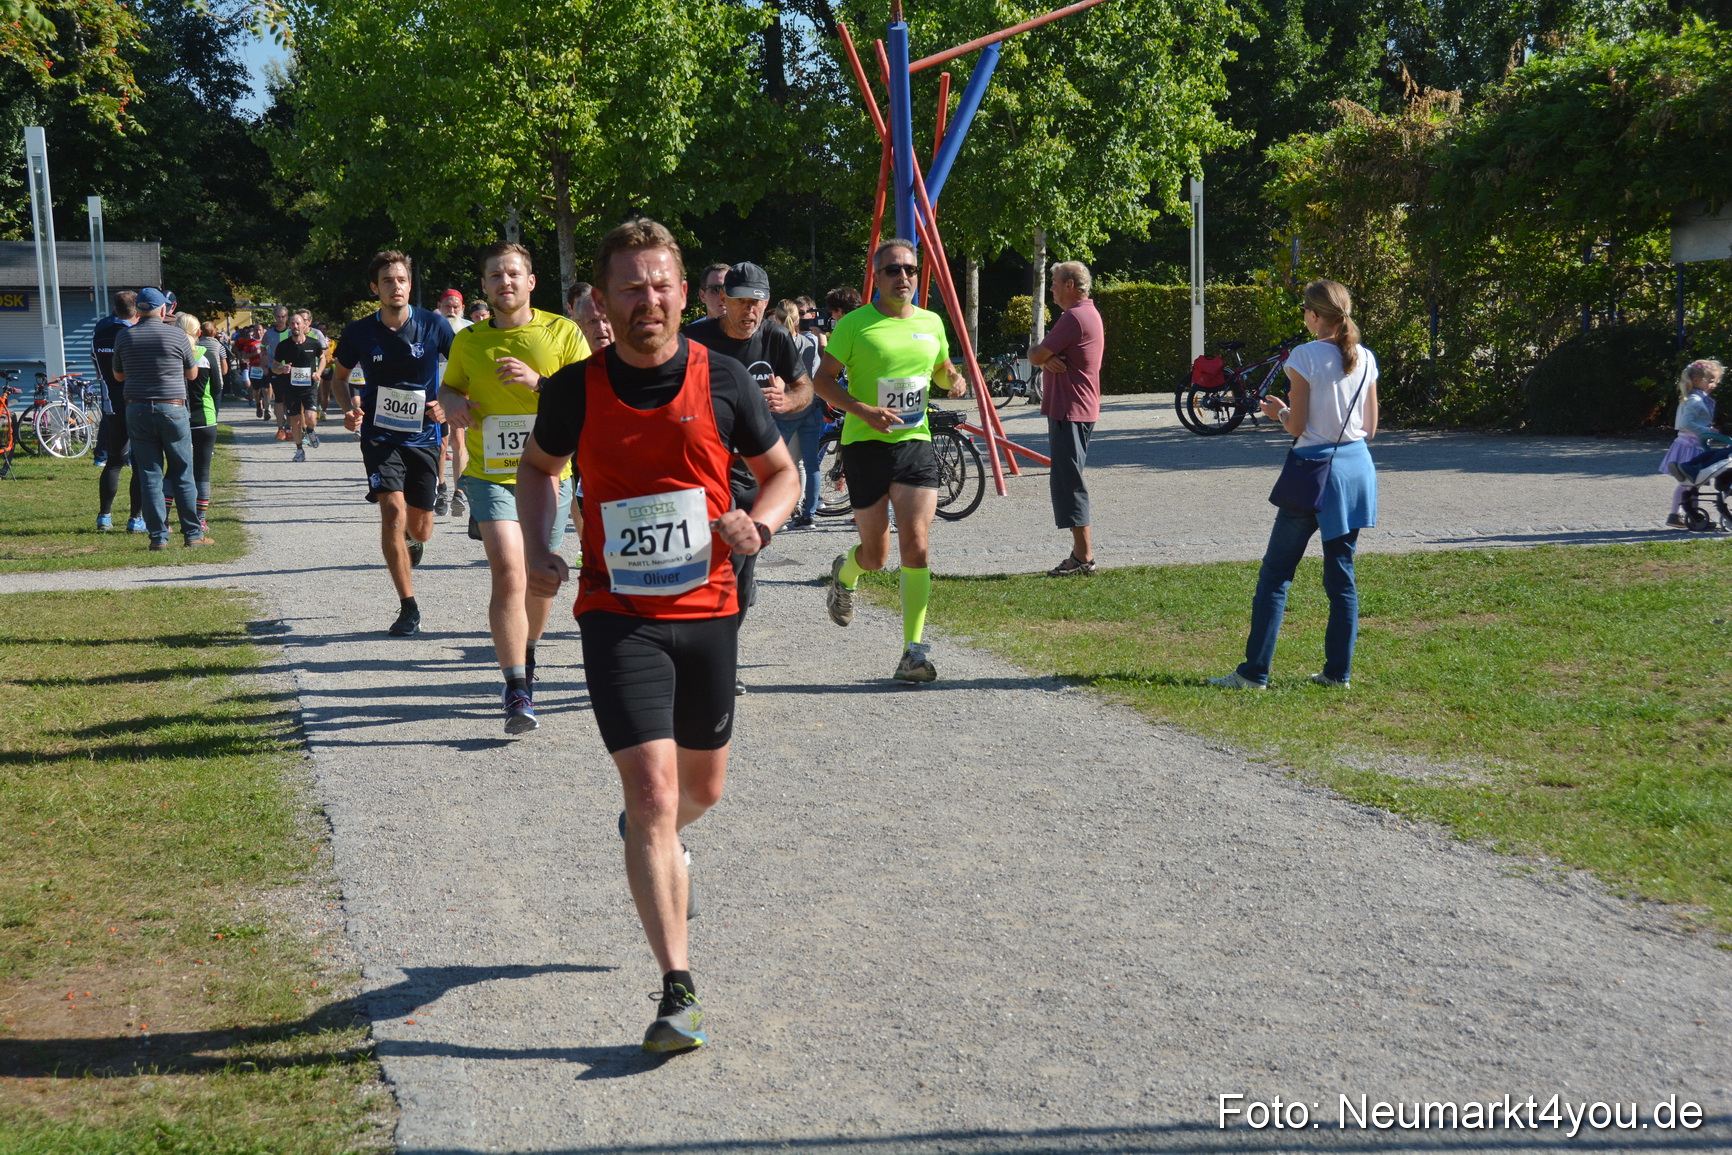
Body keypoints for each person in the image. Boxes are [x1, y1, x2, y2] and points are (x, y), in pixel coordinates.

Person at [517, 218, 797, 1053]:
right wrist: (539, 545)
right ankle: (678, 990)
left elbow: (783, 473)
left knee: (698, 795)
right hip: (617, 614)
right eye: (631, 287)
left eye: (661, 283)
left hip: (711, 609)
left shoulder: (725, 380)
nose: (649, 299)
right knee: (652, 794)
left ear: (686, 291)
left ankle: (662, 847)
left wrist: (763, 524)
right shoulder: (572, 388)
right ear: (603, 301)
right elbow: (538, 468)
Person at [438, 241, 589, 733]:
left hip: (550, 472)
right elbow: (450, 386)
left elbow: (589, 396)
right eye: (495, 276)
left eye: (513, 274)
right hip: (490, 473)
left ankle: (525, 651)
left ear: (531, 282)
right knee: (508, 570)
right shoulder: (468, 341)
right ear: (484, 286)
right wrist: (451, 401)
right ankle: (517, 686)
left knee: (540, 576)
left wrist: (539, 382)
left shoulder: (562, 332)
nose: (505, 283)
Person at [1211, 278, 1378, 691]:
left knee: (1276, 574)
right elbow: (1370, 428)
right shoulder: (1366, 357)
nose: (1304, 317)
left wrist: (1279, 413)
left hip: (1313, 472)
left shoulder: (1304, 356)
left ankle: (1254, 673)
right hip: (1356, 468)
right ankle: (1338, 673)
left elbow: (1298, 426)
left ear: (1316, 315)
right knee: (1341, 575)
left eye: (1305, 310)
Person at [815, 240, 963, 683]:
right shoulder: (856, 325)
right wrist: (861, 410)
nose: (904, 277)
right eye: (893, 270)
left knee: (916, 542)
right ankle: (846, 572)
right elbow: (822, 380)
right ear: (876, 278)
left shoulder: (931, 322)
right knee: (876, 556)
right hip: (864, 446)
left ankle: (912, 652)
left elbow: (939, 367)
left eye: (911, 270)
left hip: (915, 443)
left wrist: (951, 377)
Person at [685, 261, 813, 693]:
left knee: (741, 570)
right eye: (741, 302)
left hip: (753, 472)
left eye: (757, 302)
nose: (750, 312)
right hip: (706, 473)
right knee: (704, 565)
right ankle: (700, 658)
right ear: (723, 301)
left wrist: (787, 398)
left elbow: (805, 389)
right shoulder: (696, 339)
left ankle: (719, 656)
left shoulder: (774, 335)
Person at [331, 251, 455, 637]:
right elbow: (338, 380)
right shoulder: (358, 332)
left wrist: (445, 404)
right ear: (375, 288)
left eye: (401, 280)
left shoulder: (434, 325)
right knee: (392, 512)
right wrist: (346, 411)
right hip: (380, 436)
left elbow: (464, 372)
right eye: (387, 281)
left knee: (420, 529)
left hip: (424, 436)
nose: (395, 286)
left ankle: (412, 543)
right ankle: (408, 606)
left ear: (410, 284)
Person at [112, 287, 214, 550]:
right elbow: (192, 375)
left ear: (139, 309)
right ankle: (192, 534)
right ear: (162, 309)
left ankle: (158, 537)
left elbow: (118, 376)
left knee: (149, 474)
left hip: (137, 409)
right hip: (173, 408)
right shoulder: (177, 336)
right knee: (182, 471)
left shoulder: (124, 337)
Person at [1029, 260, 1105, 576]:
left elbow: (1034, 354)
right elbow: (1045, 357)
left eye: (1055, 282)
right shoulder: (1089, 313)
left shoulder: (1073, 317)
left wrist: (1044, 359)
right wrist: (1048, 361)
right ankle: (1080, 554)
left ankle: (1083, 556)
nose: (1052, 288)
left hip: (1069, 409)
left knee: (1069, 481)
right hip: (1077, 407)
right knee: (1067, 478)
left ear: (1070, 285)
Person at [770, 298, 825, 527]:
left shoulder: (775, 342)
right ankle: (808, 513)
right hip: (810, 405)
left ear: (777, 318)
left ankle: (781, 513)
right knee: (810, 464)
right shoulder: (809, 342)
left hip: (786, 409)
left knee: (778, 465)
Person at [91, 290, 143, 533]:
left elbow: (96, 364)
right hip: (137, 402)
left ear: (115, 308)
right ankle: (135, 519)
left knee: (114, 461)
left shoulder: (100, 333)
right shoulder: (135, 335)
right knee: (142, 462)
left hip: (111, 404)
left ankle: (104, 516)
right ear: (137, 309)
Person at [1660, 360, 1725, 528]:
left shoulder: (1696, 398)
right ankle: (1675, 514)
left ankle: (1694, 516)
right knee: (1688, 482)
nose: (1714, 385)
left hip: (1693, 444)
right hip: (1690, 446)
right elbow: (1686, 423)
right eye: (1710, 381)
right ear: (1697, 380)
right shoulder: (1695, 400)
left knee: (1693, 483)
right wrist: (1707, 431)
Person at [434, 290, 475, 519]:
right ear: (440, 306)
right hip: (437, 395)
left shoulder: (470, 330)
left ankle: (459, 491)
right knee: (441, 444)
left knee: (459, 441)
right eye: (447, 306)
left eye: (455, 306)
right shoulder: (432, 328)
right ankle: (441, 487)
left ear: (462, 307)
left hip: (460, 394)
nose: (451, 311)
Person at [183, 316, 225, 533]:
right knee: (202, 471)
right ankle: (200, 519)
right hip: (205, 418)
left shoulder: (174, 355)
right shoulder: (206, 353)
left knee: (175, 470)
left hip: (180, 417)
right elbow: (218, 386)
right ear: (198, 333)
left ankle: (166, 521)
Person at [271, 309, 330, 463]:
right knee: (295, 420)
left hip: (309, 386)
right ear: (289, 326)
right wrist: (282, 369)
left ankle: (310, 430)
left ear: (305, 325)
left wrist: (319, 372)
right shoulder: (283, 346)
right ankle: (299, 450)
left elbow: (323, 358)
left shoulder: (314, 343)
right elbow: (274, 366)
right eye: (292, 323)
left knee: (310, 417)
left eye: (298, 323)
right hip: (290, 388)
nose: (295, 326)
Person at [261, 305, 293, 440]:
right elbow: (262, 346)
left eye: (283, 316)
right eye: (278, 317)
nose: (281, 319)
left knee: (290, 400)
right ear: (274, 317)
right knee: (279, 399)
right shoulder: (269, 334)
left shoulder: (292, 332)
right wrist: (263, 356)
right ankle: (281, 428)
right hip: (276, 368)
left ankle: (290, 428)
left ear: (287, 317)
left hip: (291, 369)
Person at [570, 281, 614, 352]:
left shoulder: (634, 360)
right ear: (580, 326)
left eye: (606, 320)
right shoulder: (570, 359)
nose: (601, 328)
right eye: (593, 321)